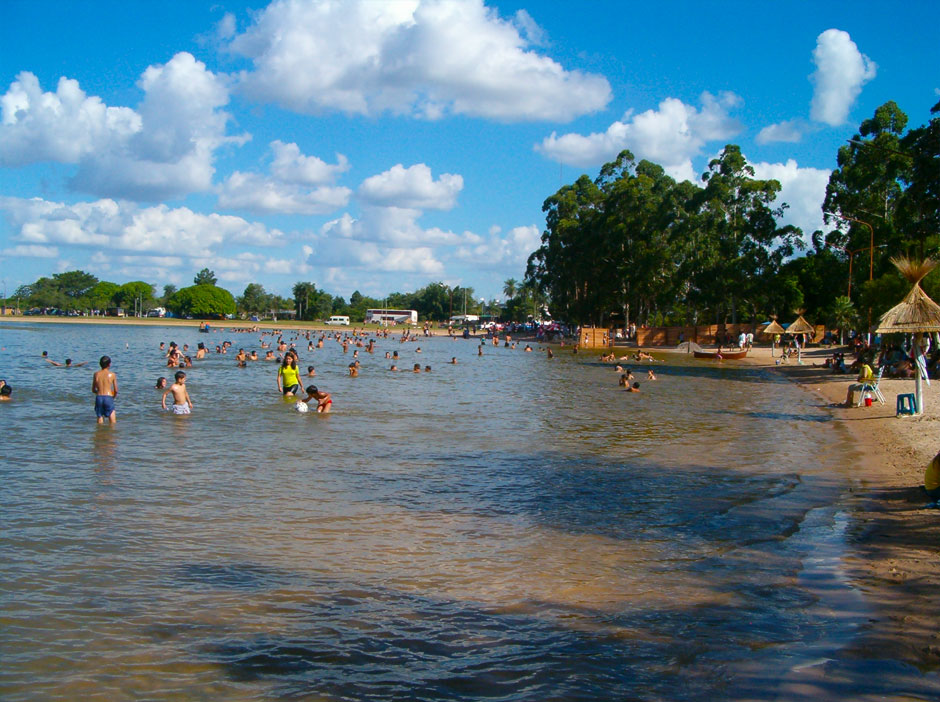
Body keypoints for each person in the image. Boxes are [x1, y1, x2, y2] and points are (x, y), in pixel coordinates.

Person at [91, 355, 118, 425]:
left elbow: (93, 389)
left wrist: (98, 392)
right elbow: (116, 390)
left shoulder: (96, 374)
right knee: (112, 421)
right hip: (108, 397)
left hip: (99, 397)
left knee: (99, 418)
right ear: (109, 364)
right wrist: (114, 397)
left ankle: (99, 434)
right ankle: (111, 434)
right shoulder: (112, 374)